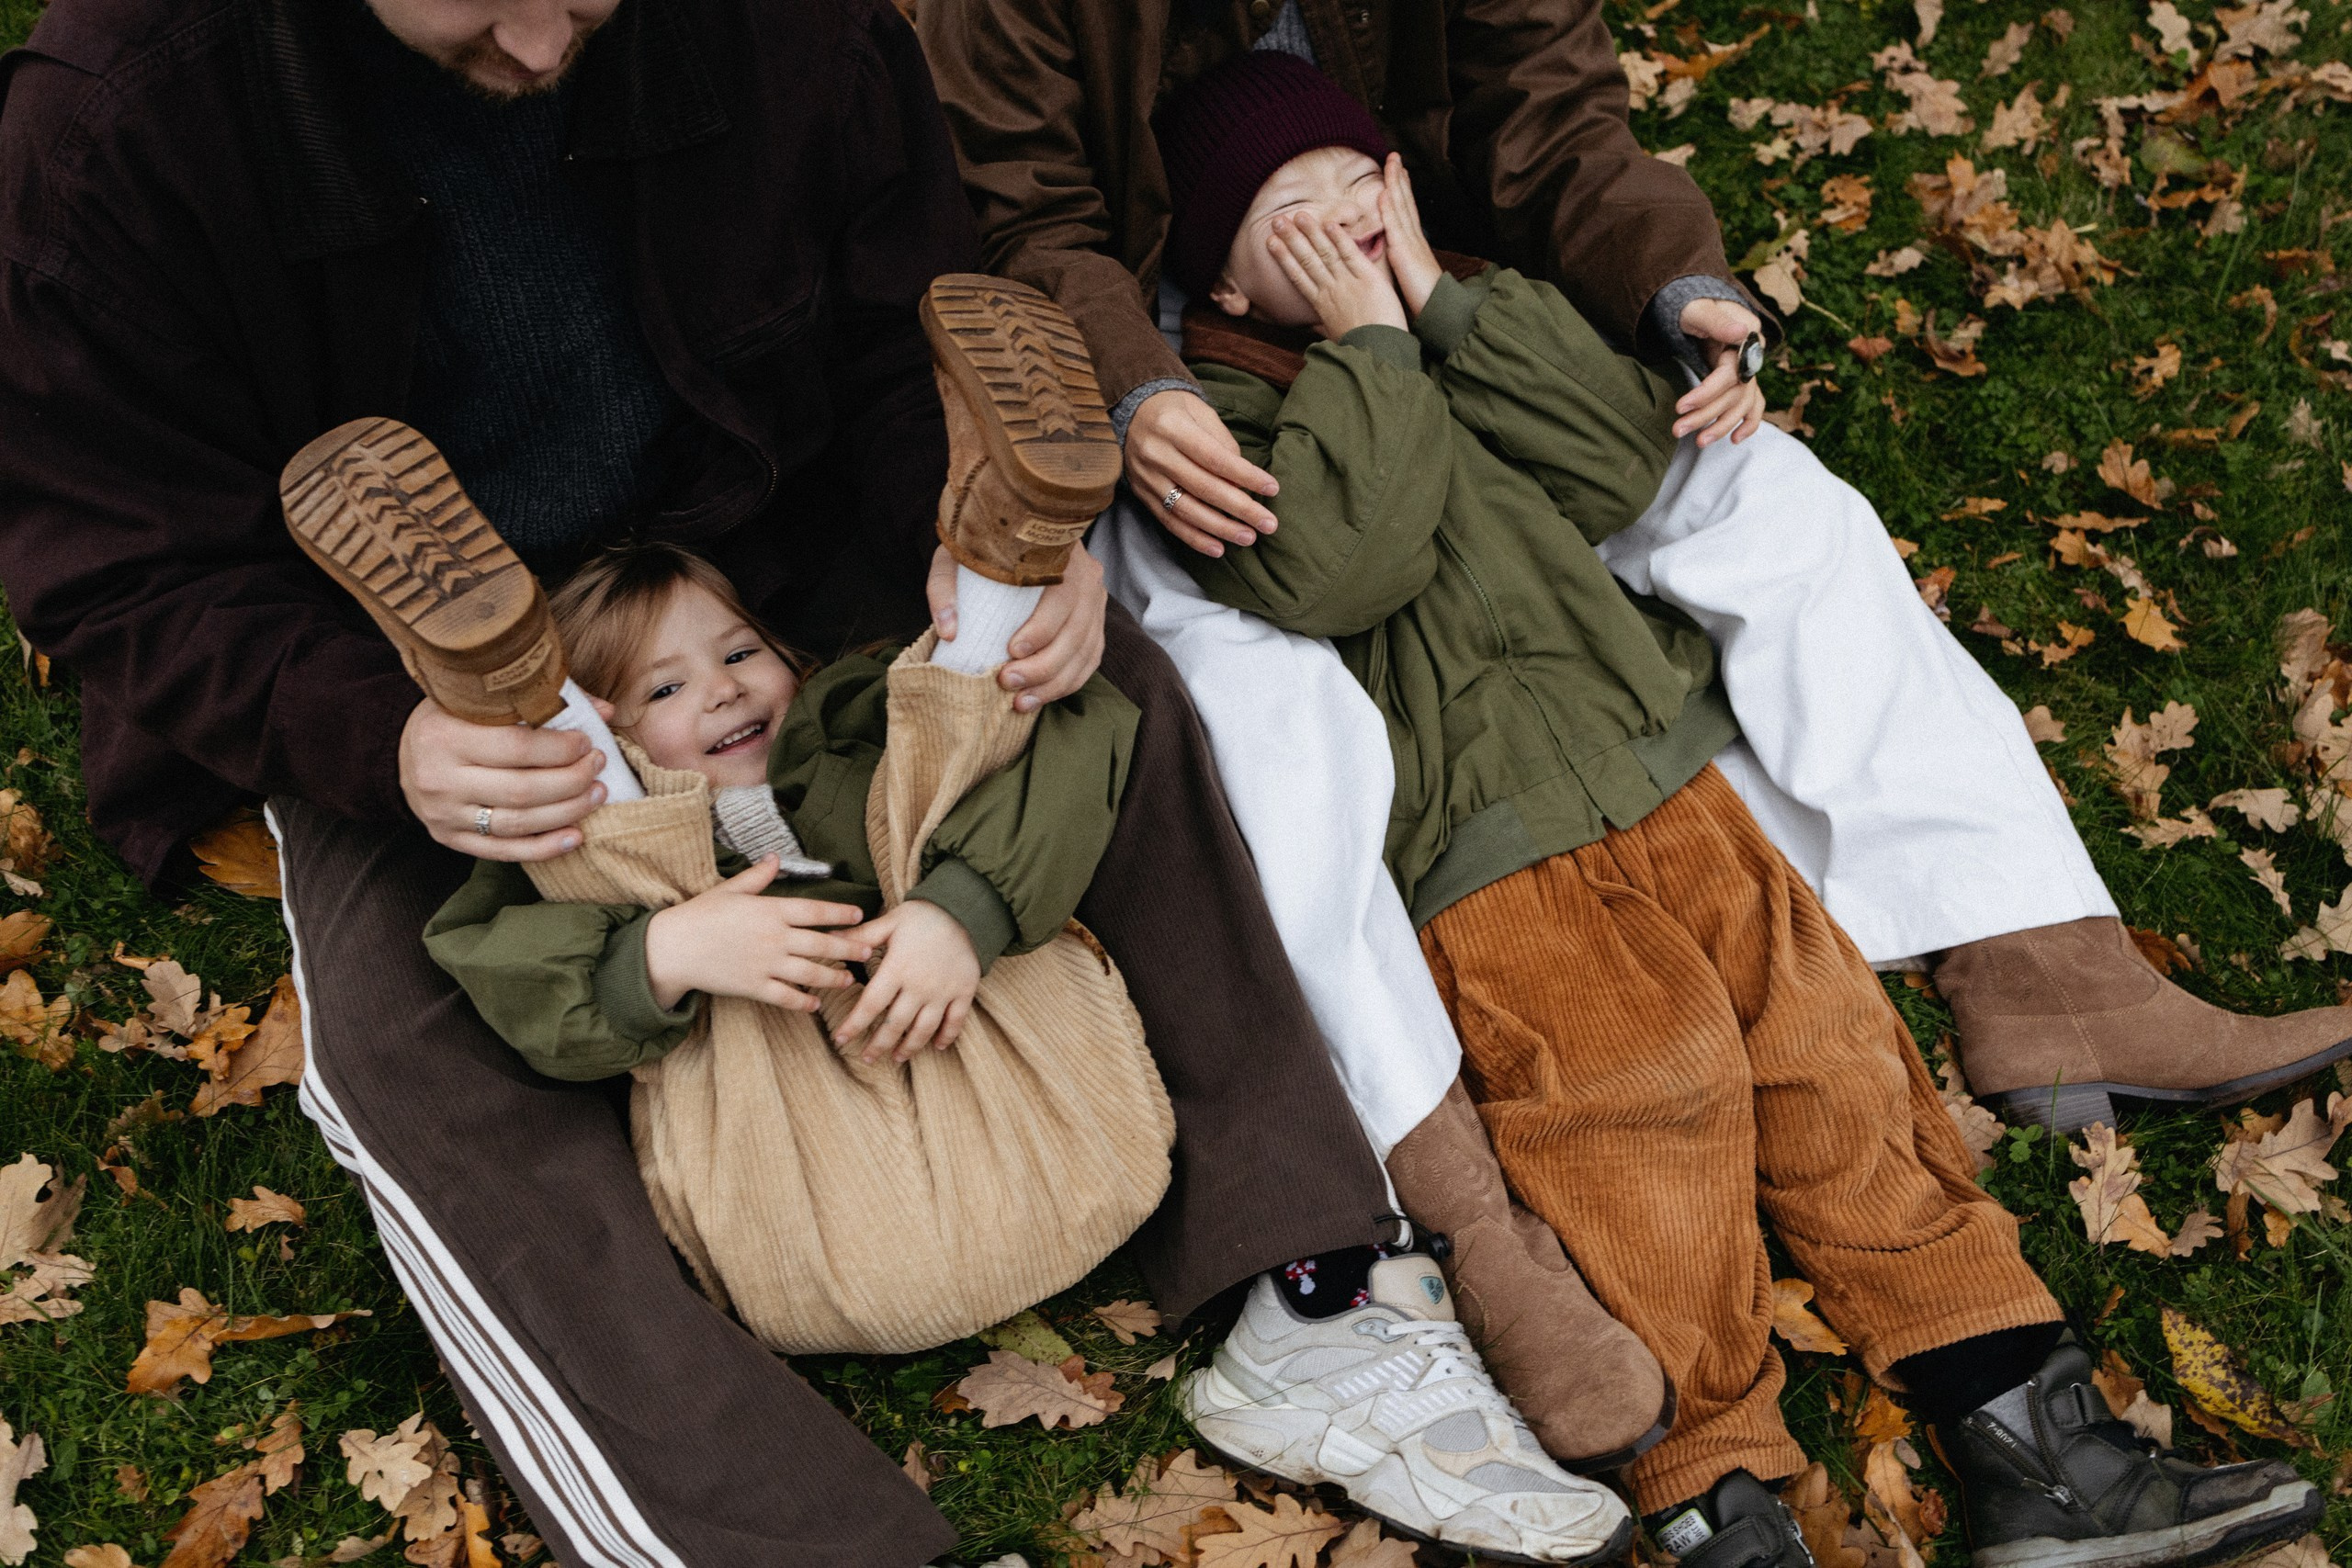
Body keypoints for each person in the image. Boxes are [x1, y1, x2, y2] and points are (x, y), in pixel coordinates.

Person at [0, 0, 1625, 1561]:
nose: (551, 45)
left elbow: (898, 316)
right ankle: (769, 1537)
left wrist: (994, 530)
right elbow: (112, 556)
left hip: (765, 525)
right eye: (479, 15)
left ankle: (1314, 1292)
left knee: (1093, 691)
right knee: (411, 1036)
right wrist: (378, 737)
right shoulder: (120, 120)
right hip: (403, 656)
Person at [1157, 56, 2327, 1568]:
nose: (1340, 225)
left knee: (1841, 1063)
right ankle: (1717, 1495)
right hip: (1494, 865)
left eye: (1357, 190)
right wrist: (1375, 351)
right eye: (1286, 214)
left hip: (1671, 784)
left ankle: (2034, 1432)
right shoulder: (1220, 435)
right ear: (1226, 286)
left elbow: (1620, 461)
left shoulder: (1464, 330)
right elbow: (1341, 569)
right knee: (1641, 1111)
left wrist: (1443, 304)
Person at [917, 0, 2352, 1146]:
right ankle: (1429, 1186)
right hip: (1185, 389)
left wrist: (1681, 290)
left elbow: (1560, 117)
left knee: (1773, 503)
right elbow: (1025, 221)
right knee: (1283, 722)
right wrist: (1135, 395)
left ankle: (2045, 975)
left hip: (1442, 301)